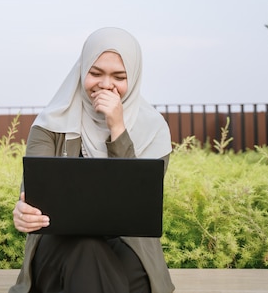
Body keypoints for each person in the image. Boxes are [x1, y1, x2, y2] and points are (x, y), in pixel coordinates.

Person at [9, 27, 175, 293]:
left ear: (133, 78)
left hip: (128, 247)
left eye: (119, 77)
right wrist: (23, 213)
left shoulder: (153, 130)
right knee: (87, 249)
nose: (106, 84)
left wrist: (117, 128)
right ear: (82, 70)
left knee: (97, 273)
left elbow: (134, 203)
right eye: (96, 73)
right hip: (60, 247)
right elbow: (33, 197)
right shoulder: (50, 125)